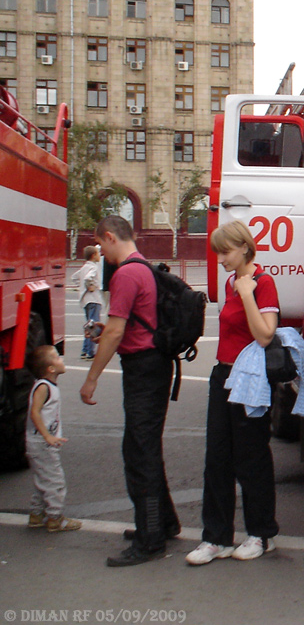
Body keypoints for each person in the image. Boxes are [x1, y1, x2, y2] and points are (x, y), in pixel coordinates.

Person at [79, 215, 180, 567]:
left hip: (143, 370)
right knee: (146, 448)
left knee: (139, 455)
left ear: (109, 237)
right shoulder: (143, 268)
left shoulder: (125, 273)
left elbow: (116, 333)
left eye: (100, 244)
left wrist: (91, 378)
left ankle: (150, 539)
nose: (100, 252)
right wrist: (106, 330)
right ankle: (163, 523)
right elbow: (132, 321)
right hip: (155, 365)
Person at [186, 220, 280, 566]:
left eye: (225, 251)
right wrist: (237, 288)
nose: (221, 258)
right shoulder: (230, 282)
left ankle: (261, 534)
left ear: (244, 247)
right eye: (218, 252)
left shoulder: (263, 283)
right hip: (222, 374)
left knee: (251, 457)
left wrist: (246, 293)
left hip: (250, 378)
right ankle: (216, 538)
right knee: (217, 458)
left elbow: (265, 335)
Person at [25, 345, 81, 533]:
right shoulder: (43, 387)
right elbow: (35, 413)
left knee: (43, 480)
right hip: (42, 444)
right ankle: (55, 518)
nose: (62, 360)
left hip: (41, 443)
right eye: (57, 358)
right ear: (50, 369)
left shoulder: (47, 386)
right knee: (55, 482)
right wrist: (47, 436)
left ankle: (37, 514)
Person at [74, 246, 104, 360]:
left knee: (89, 325)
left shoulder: (84, 267)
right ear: (93, 256)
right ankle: (90, 352)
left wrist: (81, 287)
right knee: (94, 325)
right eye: (98, 254)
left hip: (86, 300)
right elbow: (88, 278)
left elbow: (75, 278)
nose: (99, 256)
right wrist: (91, 286)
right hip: (94, 299)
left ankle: (85, 350)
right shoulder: (93, 267)